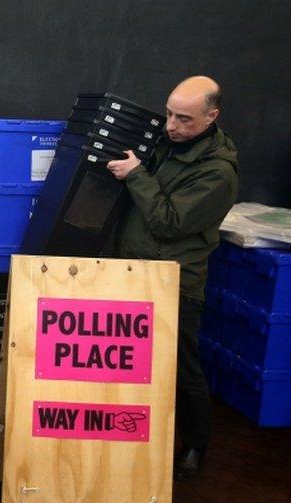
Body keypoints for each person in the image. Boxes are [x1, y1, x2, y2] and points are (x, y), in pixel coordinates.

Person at [106, 76, 238, 480]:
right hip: (135, 269)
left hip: (175, 282)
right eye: (168, 113)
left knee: (181, 366)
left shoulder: (218, 172)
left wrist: (135, 175)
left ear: (212, 116)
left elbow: (169, 221)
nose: (171, 125)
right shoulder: (167, 140)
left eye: (184, 118)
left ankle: (196, 444)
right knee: (126, 362)